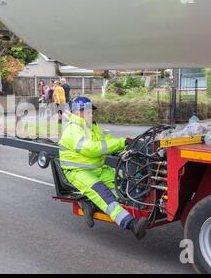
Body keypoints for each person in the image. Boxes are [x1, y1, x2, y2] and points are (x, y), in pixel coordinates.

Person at [58, 97, 149, 239]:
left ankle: (89, 203)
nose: (91, 114)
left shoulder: (91, 127)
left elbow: (104, 143)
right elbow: (92, 149)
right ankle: (132, 224)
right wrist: (121, 143)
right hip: (79, 172)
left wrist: (125, 145)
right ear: (78, 112)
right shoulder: (73, 130)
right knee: (104, 196)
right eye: (88, 112)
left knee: (122, 186)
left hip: (98, 169)